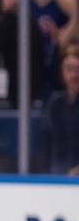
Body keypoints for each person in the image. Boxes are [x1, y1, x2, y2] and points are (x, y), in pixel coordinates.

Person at [45, 46, 79, 174]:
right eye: (69, 69)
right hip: (58, 172)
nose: (74, 75)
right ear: (62, 72)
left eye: (78, 69)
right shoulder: (55, 103)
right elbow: (48, 142)